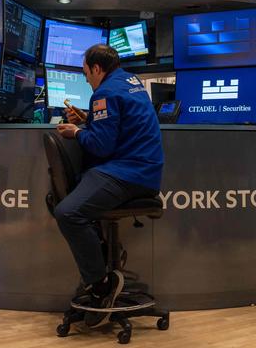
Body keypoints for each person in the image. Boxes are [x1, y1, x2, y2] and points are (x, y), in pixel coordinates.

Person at [55, 44, 164, 326]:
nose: (87, 80)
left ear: (96, 68)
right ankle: (103, 264)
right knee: (65, 198)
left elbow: (101, 146)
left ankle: (101, 285)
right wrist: (89, 118)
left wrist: (77, 132)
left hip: (129, 174)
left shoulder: (104, 92)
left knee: (67, 211)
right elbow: (120, 126)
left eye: (86, 74)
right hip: (140, 170)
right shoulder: (130, 81)